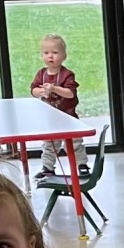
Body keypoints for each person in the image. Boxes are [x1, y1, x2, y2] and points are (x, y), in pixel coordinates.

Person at [30, 34, 82, 182]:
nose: (50, 56)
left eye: (55, 52)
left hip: (68, 117)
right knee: (49, 144)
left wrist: (54, 89)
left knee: (75, 143)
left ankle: (82, 165)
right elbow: (33, 90)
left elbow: (70, 94)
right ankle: (48, 168)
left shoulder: (67, 75)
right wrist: (39, 92)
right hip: (50, 119)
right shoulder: (41, 74)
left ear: (64, 56)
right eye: (46, 53)